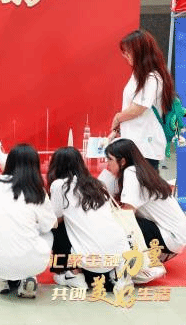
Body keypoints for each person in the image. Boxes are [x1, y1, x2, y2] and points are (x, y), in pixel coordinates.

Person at [47, 147, 130, 290]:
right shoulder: (97, 184)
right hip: (118, 253)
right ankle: (119, 275)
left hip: (87, 258)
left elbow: (53, 219)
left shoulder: (60, 185)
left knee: (56, 227)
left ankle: (75, 274)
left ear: (56, 166)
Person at [0, 144, 56, 298]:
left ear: (9, 162)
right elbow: (50, 225)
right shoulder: (38, 191)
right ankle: (29, 277)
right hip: (34, 264)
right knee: (48, 233)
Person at [104, 139, 186, 270]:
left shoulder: (131, 173)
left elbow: (127, 213)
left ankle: (129, 264)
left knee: (118, 222)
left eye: (109, 159)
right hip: (175, 235)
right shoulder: (140, 171)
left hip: (171, 236)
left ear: (123, 161)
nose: (107, 163)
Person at [110, 29, 176, 169]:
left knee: (142, 182)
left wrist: (118, 117)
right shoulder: (139, 75)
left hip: (145, 147)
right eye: (124, 51)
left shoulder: (151, 77)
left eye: (128, 51)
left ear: (141, 52)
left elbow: (139, 108)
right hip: (135, 145)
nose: (125, 55)